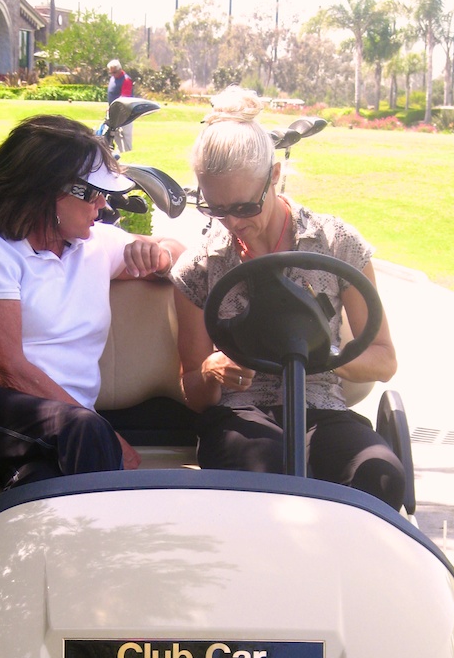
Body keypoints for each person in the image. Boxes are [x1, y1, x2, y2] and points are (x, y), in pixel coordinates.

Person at [170, 87, 405, 511]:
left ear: (274, 176)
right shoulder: (199, 267)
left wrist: (315, 351)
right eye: (215, 208)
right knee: (268, 472)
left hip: (322, 405)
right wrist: (212, 369)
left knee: (380, 475)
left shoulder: (337, 244)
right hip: (242, 414)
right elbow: (193, 390)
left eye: (244, 205)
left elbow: (385, 361)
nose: (232, 222)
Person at [0, 115, 183, 488]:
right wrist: (103, 434)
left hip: (59, 428)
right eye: (94, 193)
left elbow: (174, 250)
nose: (101, 205)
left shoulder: (94, 244)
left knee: (45, 482)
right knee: (82, 433)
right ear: (49, 191)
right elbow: (7, 370)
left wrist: (159, 257)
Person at [107, 59, 134, 151]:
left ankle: (127, 151)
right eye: (111, 73)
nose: (112, 74)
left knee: (125, 133)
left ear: (120, 69)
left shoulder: (126, 80)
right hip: (113, 111)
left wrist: (116, 109)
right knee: (114, 133)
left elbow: (124, 98)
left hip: (124, 112)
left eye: (114, 72)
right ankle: (119, 151)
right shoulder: (113, 78)